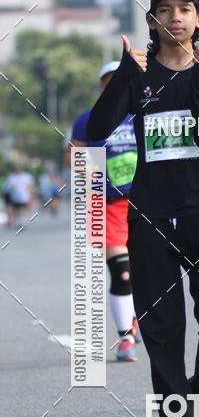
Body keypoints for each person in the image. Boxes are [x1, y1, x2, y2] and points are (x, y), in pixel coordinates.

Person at [87, 0, 199, 417]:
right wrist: (126, 79)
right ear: (152, 21)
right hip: (150, 216)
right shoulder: (139, 72)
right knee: (164, 327)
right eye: (164, 9)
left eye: (184, 8)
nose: (175, 16)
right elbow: (96, 130)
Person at [66, 62, 140, 362]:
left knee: (146, 271)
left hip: (144, 203)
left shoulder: (141, 115)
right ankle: (126, 339)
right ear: (102, 85)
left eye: (121, 80)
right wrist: (90, 170)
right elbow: (73, 154)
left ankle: (135, 315)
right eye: (110, 81)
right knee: (121, 271)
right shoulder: (88, 119)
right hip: (105, 204)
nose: (115, 85)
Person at [4, 165, 35, 229]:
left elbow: (30, 187)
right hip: (15, 197)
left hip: (24, 197)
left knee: (23, 209)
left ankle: (22, 222)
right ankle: (18, 222)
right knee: (16, 210)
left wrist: (30, 196)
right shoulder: (12, 177)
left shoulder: (26, 177)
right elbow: (9, 187)